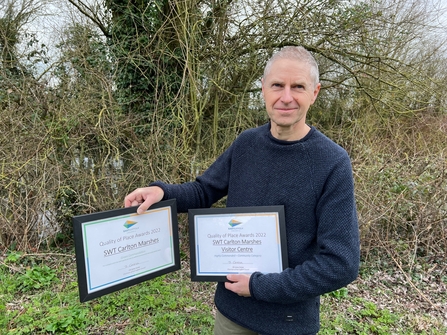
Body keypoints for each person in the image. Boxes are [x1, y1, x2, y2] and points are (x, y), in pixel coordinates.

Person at [124, 46, 360, 335]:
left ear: (315, 92)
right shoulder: (247, 144)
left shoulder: (332, 162)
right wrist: (162, 193)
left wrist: (260, 286)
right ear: (263, 89)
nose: (286, 97)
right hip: (231, 316)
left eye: (298, 86)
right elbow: (203, 191)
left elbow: (341, 264)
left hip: (288, 323)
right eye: (277, 85)